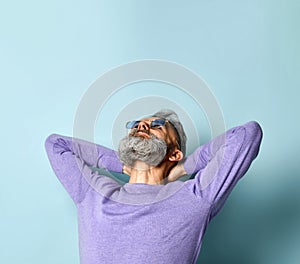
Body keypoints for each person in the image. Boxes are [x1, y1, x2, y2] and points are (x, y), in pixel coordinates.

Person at [44, 109, 263, 264]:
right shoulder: (93, 193)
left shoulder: (195, 197)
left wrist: (182, 168)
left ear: (174, 153)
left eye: (157, 125)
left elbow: (247, 135)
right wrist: (125, 164)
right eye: (136, 125)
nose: (142, 125)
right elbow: (55, 145)